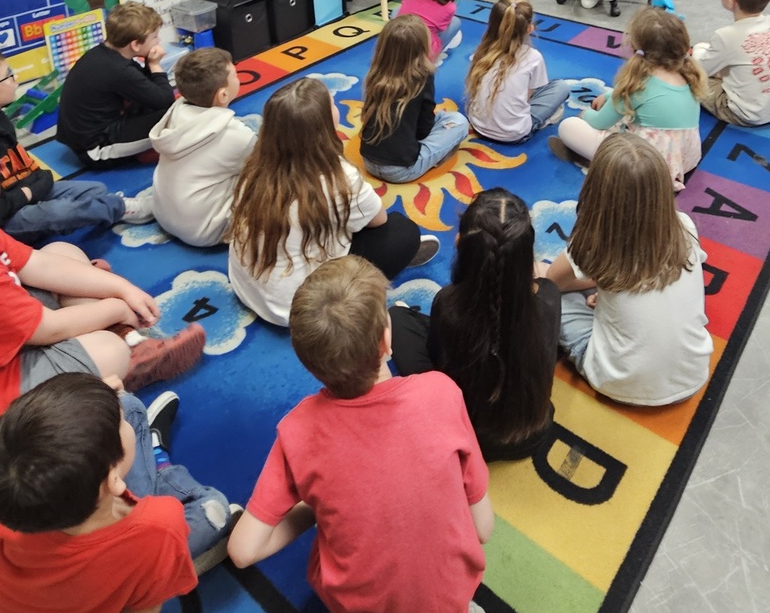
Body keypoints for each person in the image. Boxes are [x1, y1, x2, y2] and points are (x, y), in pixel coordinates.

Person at [0, 127, 205, 484]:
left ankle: (125, 344)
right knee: (109, 349)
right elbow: (48, 329)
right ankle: (124, 351)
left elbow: (39, 264)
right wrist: (118, 308)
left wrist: (121, 288)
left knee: (62, 252)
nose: (0, 170)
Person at [228, 257, 493, 613]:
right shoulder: (440, 391)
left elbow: (242, 550)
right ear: (387, 340)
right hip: (451, 593)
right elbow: (483, 529)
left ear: (309, 365)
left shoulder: (297, 431)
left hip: (354, 609)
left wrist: (314, 506)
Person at [0, 374, 240, 613]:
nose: (119, 419)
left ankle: (152, 460)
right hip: (127, 553)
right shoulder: (158, 529)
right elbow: (142, 610)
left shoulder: (13, 497)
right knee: (215, 509)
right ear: (111, 480)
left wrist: (96, 404)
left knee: (129, 405)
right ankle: (160, 462)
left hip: (92, 517)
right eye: (116, 424)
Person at [228, 78, 436, 327]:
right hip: (302, 306)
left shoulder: (255, 166)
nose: (337, 107)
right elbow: (379, 220)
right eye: (333, 104)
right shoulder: (339, 176)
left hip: (247, 288)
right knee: (403, 231)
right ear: (323, 126)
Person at [389, 188, 561, 461]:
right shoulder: (549, 297)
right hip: (533, 434)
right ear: (527, 254)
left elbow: (438, 360)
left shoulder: (448, 304)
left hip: (465, 437)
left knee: (398, 318)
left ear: (460, 244)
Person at [0, 47, 154, 244]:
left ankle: (92, 210)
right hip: (1, 221)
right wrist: (30, 192)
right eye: (8, 76)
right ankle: (117, 208)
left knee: (95, 190)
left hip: (25, 191)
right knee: (59, 211)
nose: (16, 79)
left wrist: (36, 186)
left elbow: (28, 170)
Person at [546, 134, 713, 405]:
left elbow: (552, 283)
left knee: (552, 296)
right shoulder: (684, 226)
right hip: (693, 374)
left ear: (595, 191)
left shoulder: (592, 244)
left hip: (619, 383)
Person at [550, 5, 706, 189]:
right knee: (628, 115)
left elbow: (599, 122)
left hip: (644, 166)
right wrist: (610, 94)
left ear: (634, 48)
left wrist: (584, 115)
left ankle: (608, 166)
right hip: (684, 159)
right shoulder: (689, 73)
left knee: (569, 126)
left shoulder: (637, 84)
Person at [149, 47, 256, 246]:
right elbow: (269, 167)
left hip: (162, 214)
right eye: (235, 75)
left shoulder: (176, 111)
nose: (237, 78)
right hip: (206, 231)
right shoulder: (236, 135)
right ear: (223, 95)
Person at [57, 1, 174, 166]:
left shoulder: (102, 54)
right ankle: (144, 152)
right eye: (154, 37)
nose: (158, 40)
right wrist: (154, 65)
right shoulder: (119, 70)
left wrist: (149, 64)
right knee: (175, 115)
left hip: (83, 138)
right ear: (135, 44)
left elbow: (147, 88)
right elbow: (165, 100)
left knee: (153, 102)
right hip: (97, 150)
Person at [359, 14, 470, 183]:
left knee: (438, 117)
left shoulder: (376, 73)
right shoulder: (422, 78)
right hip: (402, 170)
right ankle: (432, 159)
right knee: (458, 122)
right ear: (422, 47)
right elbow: (423, 131)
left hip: (368, 160)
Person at [464, 0, 570, 143]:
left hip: (477, 125)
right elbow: (527, 97)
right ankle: (541, 121)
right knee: (560, 87)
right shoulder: (533, 57)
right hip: (514, 134)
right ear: (530, 29)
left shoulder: (481, 51)